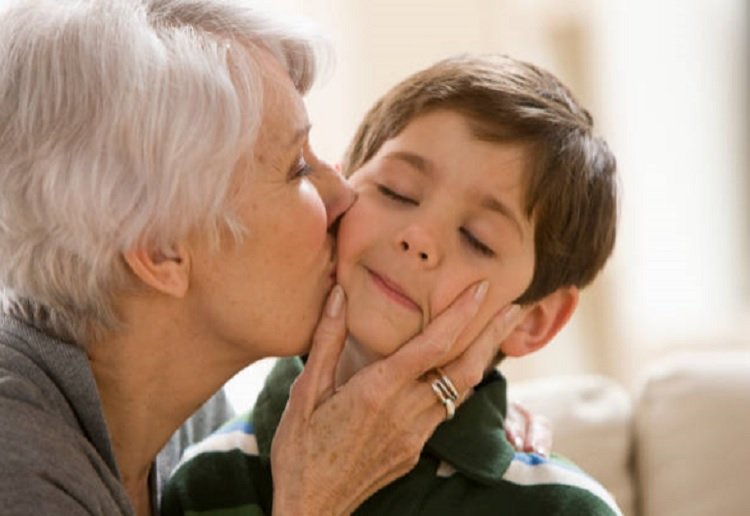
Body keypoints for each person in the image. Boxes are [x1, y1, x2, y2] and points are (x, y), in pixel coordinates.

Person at [0, 2, 530, 515]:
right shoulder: (20, 473)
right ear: (161, 249)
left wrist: (470, 419)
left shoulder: (179, 414)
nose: (343, 195)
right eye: (297, 168)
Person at [161, 54, 622, 515]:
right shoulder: (208, 477)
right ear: (342, 193)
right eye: (396, 191)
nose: (418, 238)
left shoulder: (562, 508)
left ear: (535, 319)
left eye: (476, 239)